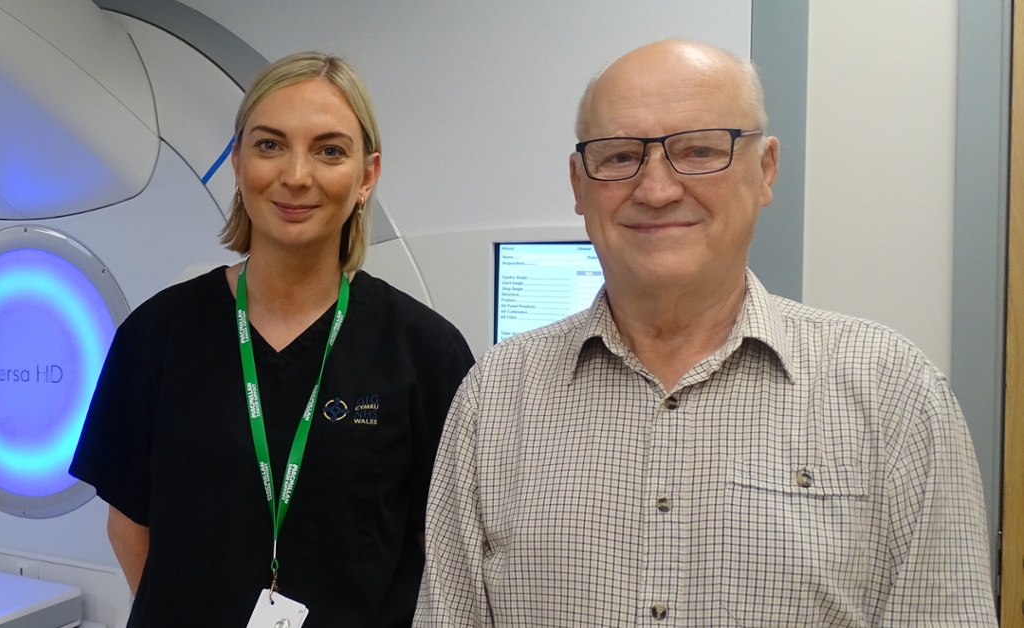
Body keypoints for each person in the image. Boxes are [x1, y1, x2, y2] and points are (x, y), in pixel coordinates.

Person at [417, 39, 995, 626]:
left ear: (765, 169)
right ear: (578, 184)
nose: (657, 189)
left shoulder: (893, 392)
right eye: (619, 157)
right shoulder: (494, 397)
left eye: (699, 151)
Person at [70, 51, 474, 627]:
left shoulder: (425, 352)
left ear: (366, 177)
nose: (297, 175)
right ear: (237, 163)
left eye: (330, 150)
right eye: (270, 145)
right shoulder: (156, 337)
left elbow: (439, 552)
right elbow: (131, 526)